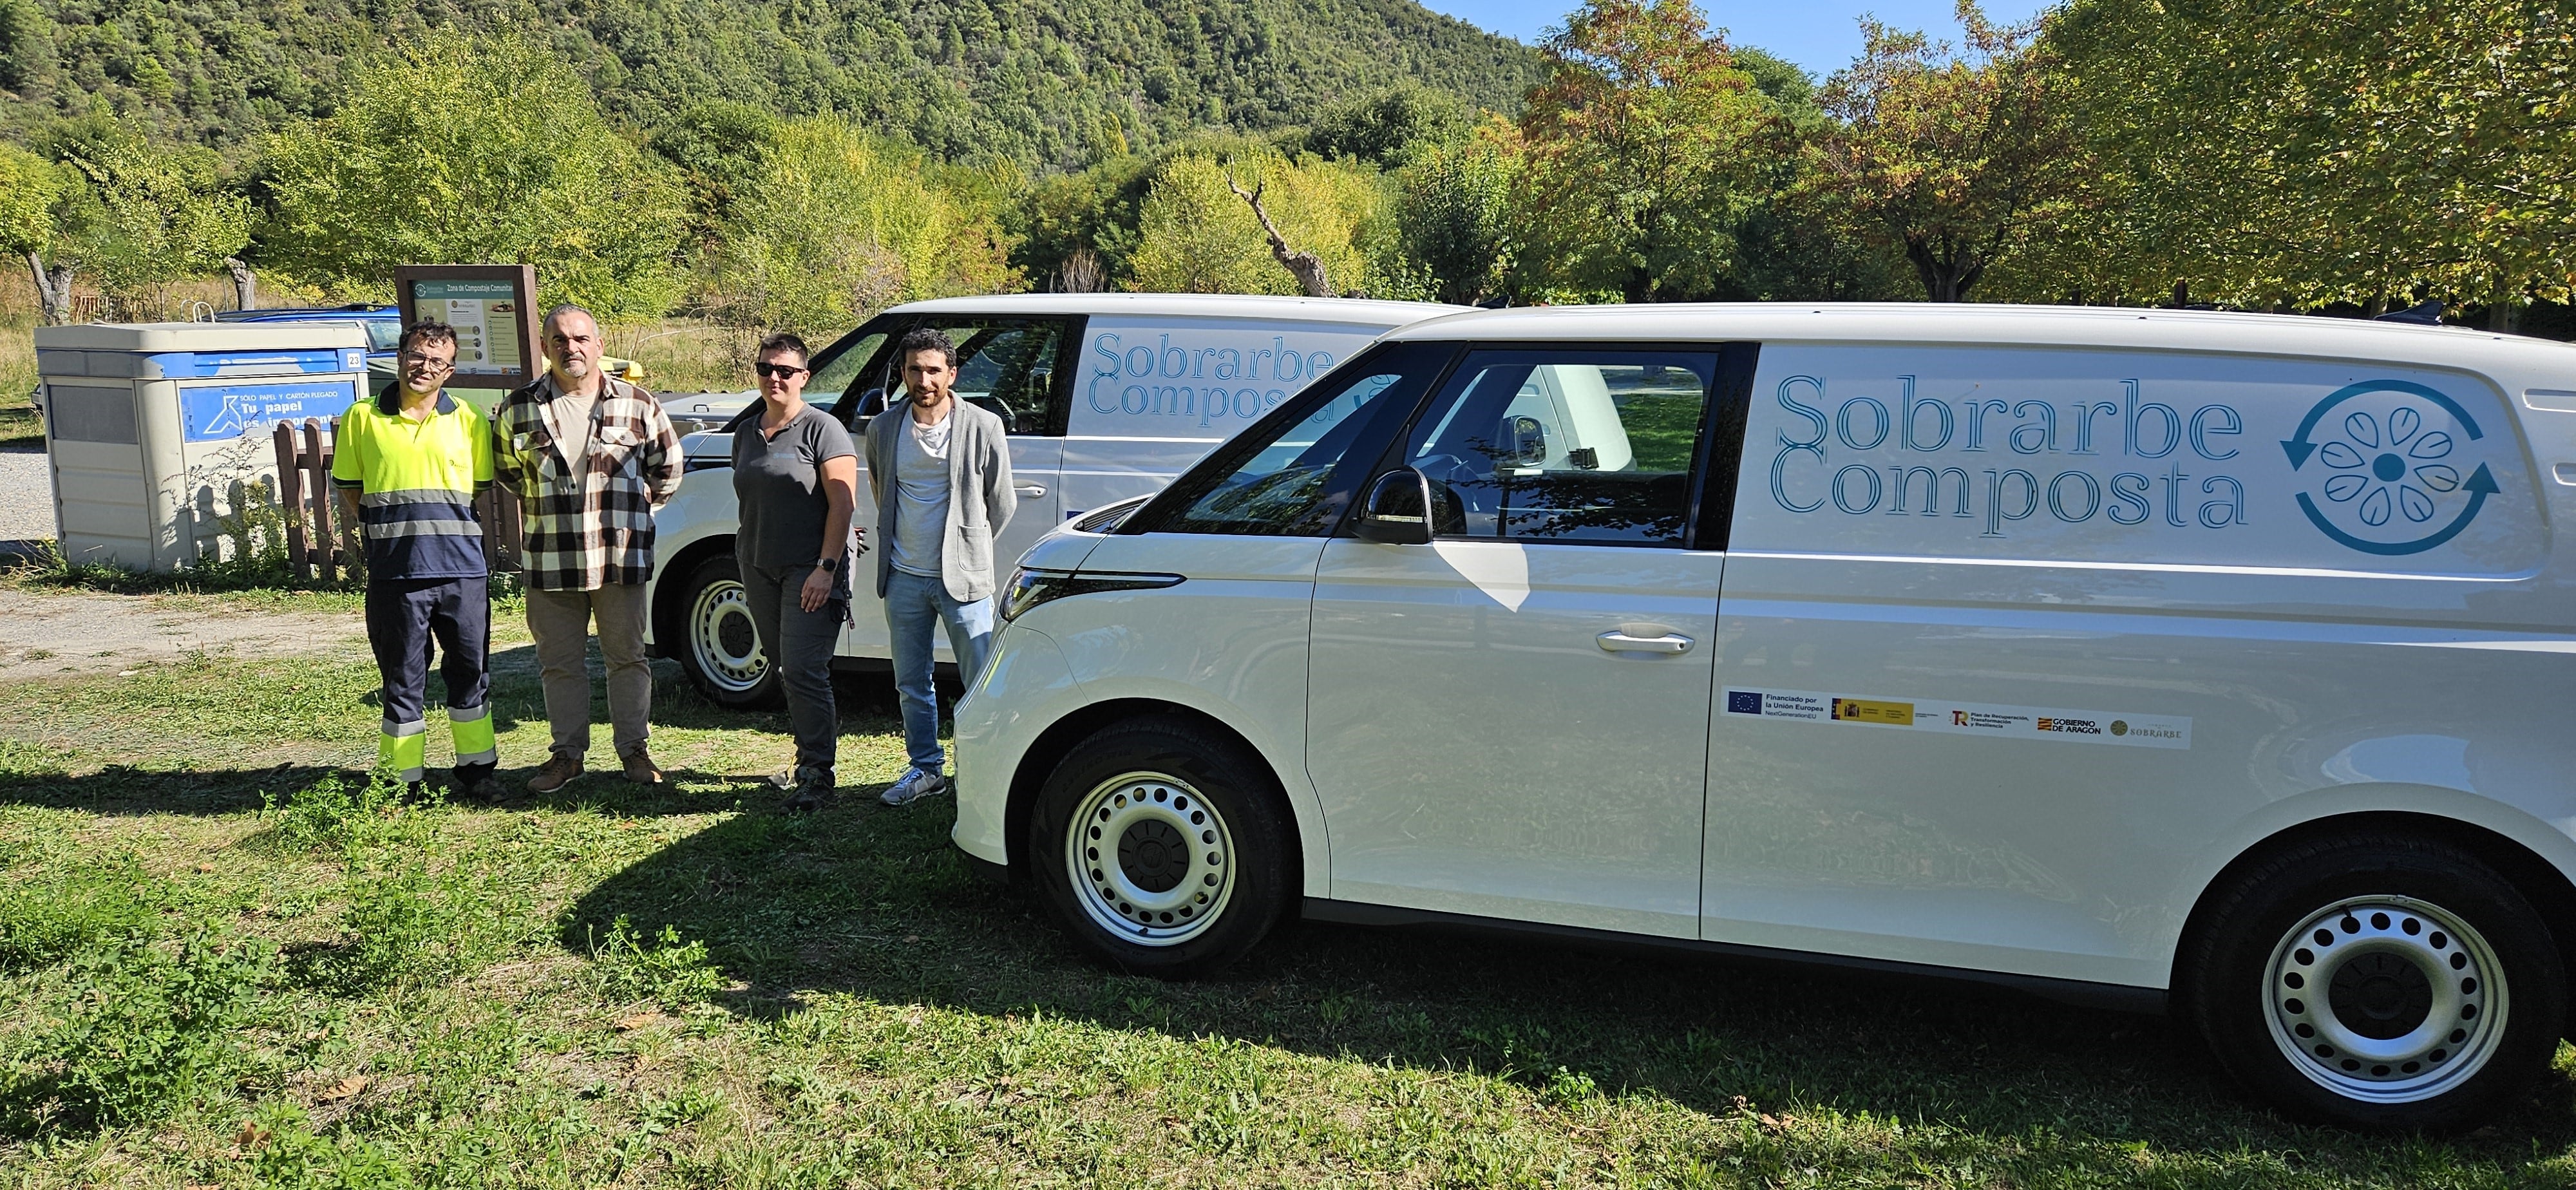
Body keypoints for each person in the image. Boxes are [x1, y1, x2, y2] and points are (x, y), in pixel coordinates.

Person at [491, 304, 683, 794]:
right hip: (551, 556)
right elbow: (510, 473)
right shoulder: (520, 408)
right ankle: (567, 755)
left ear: (598, 345)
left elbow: (668, 469)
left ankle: (635, 751)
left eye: (580, 339)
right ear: (544, 347)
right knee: (559, 663)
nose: (570, 348)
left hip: (619, 557)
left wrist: (635, 513)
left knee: (627, 657)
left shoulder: (638, 403)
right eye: (559, 339)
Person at [332, 320, 502, 799]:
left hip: (463, 572)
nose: (423, 368)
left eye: (436, 361)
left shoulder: (469, 420)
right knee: (403, 678)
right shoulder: (362, 418)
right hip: (398, 573)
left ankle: (478, 773)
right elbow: (350, 487)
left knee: (471, 673)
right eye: (415, 356)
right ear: (400, 357)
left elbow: (479, 491)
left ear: (449, 371)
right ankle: (401, 781)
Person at [865, 327, 1015, 807]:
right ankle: (926, 770)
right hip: (904, 576)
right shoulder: (884, 429)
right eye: (914, 369)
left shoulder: (983, 426)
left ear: (952, 374)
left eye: (934, 370)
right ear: (903, 374)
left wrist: (968, 547)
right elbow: (881, 491)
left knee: (980, 682)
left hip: (964, 579)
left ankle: (987, 772)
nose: (924, 379)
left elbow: (1002, 502)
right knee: (911, 682)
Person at [730, 332, 861, 811]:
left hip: (811, 570)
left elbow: (842, 506)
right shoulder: (746, 432)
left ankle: (816, 775)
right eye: (766, 368)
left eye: (786, 371)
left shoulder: (824, 430)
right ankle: (806, 757)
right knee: (786, 668)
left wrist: (827, 568)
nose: (775, 378)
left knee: (806, 670)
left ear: (804, 377)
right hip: (758, 566)